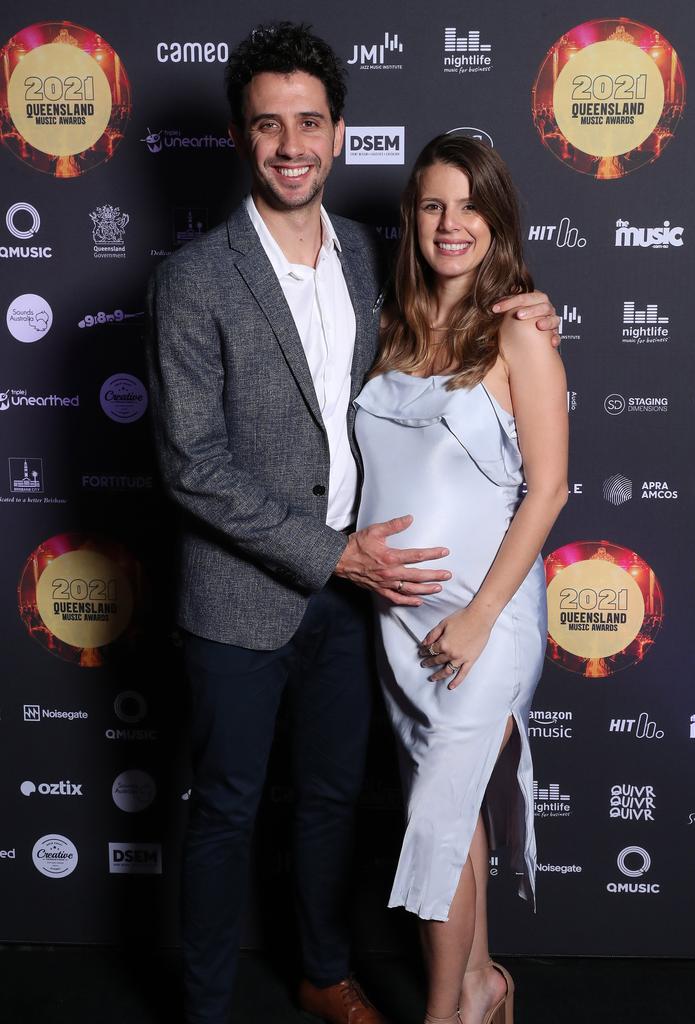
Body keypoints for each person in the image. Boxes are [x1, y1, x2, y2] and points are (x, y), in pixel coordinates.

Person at [146, 23, 561, 1024]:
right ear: (243, 138)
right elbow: (190, 466)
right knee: (228, 813)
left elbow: (467, 328)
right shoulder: (193, 279)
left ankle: (326, 972)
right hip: (251, 594)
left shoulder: (376, 257)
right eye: (269, 126)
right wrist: (338, 552)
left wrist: (532, 310)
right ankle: (206, 1008)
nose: (292, 145)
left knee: (334, 802)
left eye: (310, 123)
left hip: (361, 606)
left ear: (337, 135)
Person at [354, 134, 569, 1024]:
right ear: (412, 218)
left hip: (488, 621)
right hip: (399, 623)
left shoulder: (520, 333)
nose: (452, 224)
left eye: (470, 207)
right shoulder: (391, 327)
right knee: (451, 800)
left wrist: (480, 617)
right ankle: (481, 982)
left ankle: (443, 1015)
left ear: (497, 221)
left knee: (438, 819)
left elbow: (549, 488)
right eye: (434, 205)